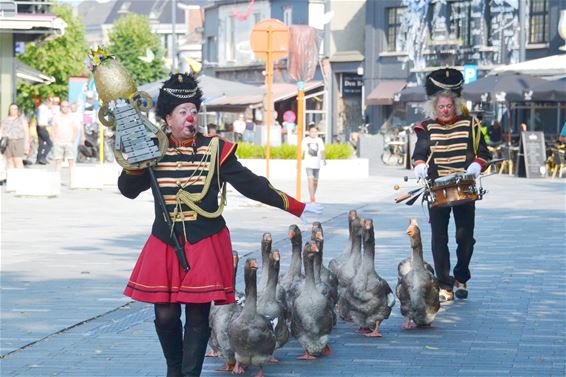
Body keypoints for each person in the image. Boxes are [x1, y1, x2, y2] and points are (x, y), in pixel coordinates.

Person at [117, 73, 318, 377]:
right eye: (183, 112)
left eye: (193, 111)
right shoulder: (153, 149)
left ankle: (189, 374)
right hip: (165, 241)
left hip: (205, 239)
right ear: (167, 118)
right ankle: (175, 367)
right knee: (166, 314)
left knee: (198, 317)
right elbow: (128, 190)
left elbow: (253, 185)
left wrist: (296, 206)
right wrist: (135, 161)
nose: (190, 118)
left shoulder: (216, 150)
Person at [412, 68, 491, 302]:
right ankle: (445, 283)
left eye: (449, 106)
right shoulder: (426, 127)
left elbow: (484, 153)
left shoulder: (471, 124)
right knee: (439, 238)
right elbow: (419, 153)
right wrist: (419, 165)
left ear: (455, 105)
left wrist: (477, 164)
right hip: (437, 190)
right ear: (434, 107)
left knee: (465, 237)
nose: (445, 110)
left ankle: (461, 277)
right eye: (441, 107)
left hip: (464, 188)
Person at [51, 100, 79, 184]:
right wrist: (54, 139)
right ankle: (57, 180)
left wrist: (73, 139)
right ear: (61, 107)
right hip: (58, 142)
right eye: (63, 106)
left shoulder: (72, 117)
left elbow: (75, 129)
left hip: (69, 142)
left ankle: (72, 180)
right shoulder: (56, 116)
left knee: (71, 161)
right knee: (58, 161)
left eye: (67, 106)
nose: (65, 108)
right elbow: (53, 128)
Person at [301, 122, 326, 203]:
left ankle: (313, 195)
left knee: (315, 182)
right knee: (310, 181)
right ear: (309, 132)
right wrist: (298, 161)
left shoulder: (319, 140)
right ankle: (312, 198)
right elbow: (302, 151)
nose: (314, 133)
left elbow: (322, 150)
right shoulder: (305, 140)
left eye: (315, 132)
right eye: (312, 131)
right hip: (308, 164)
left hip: (317, 164)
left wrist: (324, 159)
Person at [1, 103, 30, 169]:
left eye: (15, 109)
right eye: (12, 109)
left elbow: (26, 132)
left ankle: (20, 178)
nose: (14, 110)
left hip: (18, 141)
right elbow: (1, 131)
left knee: (18, 160)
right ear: (9, 110)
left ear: (17, 110)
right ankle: (12, 178)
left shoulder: (22, 120)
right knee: (9, 161)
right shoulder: (4, 120)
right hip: (7, 143)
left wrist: (27, 144)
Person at [36, 98, 53, 165]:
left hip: (38, 127)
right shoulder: (45, 109)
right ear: (48, 103)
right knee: (50, 143)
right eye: (50, 104)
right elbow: (50, 117)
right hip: (43, 127)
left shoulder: (39, 107)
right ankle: (43, 157)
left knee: (41, 144)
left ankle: (38, 159)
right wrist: (50, 110)